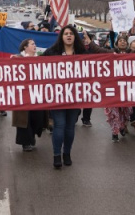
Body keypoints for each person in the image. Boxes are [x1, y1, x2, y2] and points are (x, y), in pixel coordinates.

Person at [43, 25, 87, 169]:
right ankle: (57, 155)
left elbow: (101, 60)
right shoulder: (52, 52)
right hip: (57, 96)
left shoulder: (82, 53)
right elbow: (36, 65)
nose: (68, 36)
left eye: (71, 33)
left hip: (75, 96)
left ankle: (66, 153)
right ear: (61, 37)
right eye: (66, 33)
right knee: (59, 125)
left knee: (70, 127)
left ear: (75, 37)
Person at [11, 39, 47, 151]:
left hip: (37, 95)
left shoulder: (40, 59)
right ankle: (26, 143)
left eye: (35, 44)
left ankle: (32, 137)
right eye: (32, 44)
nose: (35, 46)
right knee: (24, 120)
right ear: (25, 47)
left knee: (37, 118)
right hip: (22, 95)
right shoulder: (17, 59)